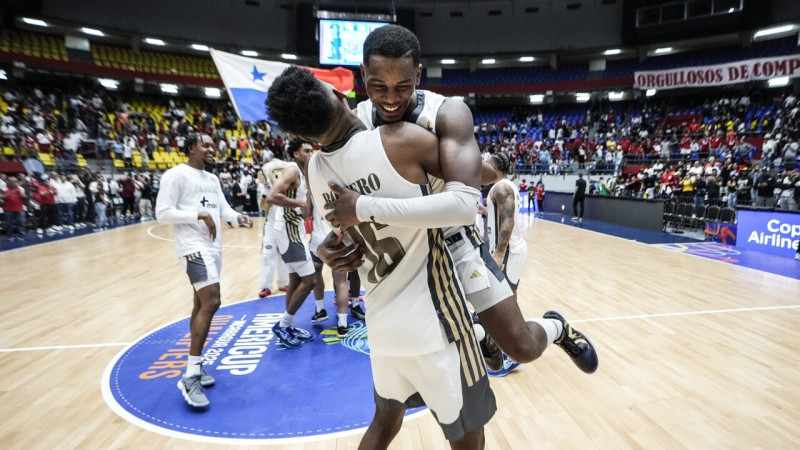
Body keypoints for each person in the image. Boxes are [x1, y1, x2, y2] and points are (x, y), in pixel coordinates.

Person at [320, 24, 597, 381]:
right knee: (439, 350)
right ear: (363, 76)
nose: (390, 98)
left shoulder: (446, 113)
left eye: (403, 87)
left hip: (457, 242)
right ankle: (480, 335)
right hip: (406, 253)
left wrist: (363, 207)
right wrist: (331, 248)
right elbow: (338, 201)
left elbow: (465, 201)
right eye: (378, 87)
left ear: (419, 74)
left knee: (521, 348)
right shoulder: (355, 123)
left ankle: (555, 327)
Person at [267, 65, 495, 449]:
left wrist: (325, 249)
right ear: (342, 98)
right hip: (436, 323)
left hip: (381, 325)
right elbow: (474, 182)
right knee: (468, 434)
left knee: (384, 424)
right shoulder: (401, 139)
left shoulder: (317, 171)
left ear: (306, 135)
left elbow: (332, 238)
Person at [155, 132, 252, 408]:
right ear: (190, 147)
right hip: (192, 247)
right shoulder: (176, 175)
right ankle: (191, 375)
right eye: (206, 145)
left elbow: (223, 208)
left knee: (200, 304)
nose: (212, 149)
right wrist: (198, 214)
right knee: (212, 301)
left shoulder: (211, 179)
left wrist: (237, 217)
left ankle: (195, 363)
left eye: (213, 145)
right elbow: (162, 213)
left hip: (213, 248)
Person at [265, 138, 318, 349]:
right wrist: (299, 203)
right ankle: (283, 325)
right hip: (288, 229)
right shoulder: (292, 170)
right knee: (311, 280)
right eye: (306, 151)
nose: (310, 154)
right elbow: (271, 196)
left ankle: (290, 326)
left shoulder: (303, 172)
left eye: (311, 150)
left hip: (290, 228)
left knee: (295, 280)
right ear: (296, 153)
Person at [486, 152, 528, 294]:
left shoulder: (502, 188)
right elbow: (502, 214)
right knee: (508, 293)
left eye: (487, 164)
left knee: (502, 295)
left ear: (494, 166)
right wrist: (486, 211)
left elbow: (508, 221)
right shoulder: (507, 185)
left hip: (508, 249)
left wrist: (499, 254)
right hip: (510, 248)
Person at [256, 150, 290, 298]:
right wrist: (267, 194)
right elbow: (263, 206)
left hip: (285, 224)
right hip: (270, 224)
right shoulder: (264, 186)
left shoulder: (290, 186)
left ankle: (283, 283)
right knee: (267, 254)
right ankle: (265, 286)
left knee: (284, 255)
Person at [1, 176, 27, 240]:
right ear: (8, 182)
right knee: (9, 224)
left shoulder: (20, 189)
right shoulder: (4, 189)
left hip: (19, 208)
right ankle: (10, 236)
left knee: (21, 223)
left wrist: (21, 194)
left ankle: (21, 236)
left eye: (15, 181)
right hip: (8, 209)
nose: (14, 183)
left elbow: (26, 198)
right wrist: (10, 193)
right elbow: (2, 197)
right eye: (12, 182)